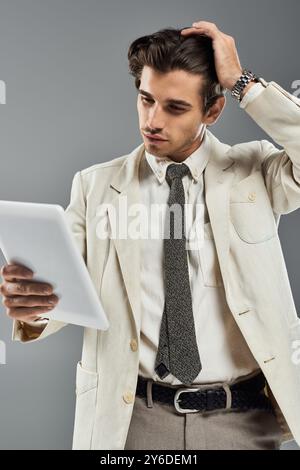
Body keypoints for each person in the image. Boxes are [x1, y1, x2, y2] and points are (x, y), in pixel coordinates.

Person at [1, 20, 300, 450]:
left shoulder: (255, 172)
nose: (152, 121)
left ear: (212, 112)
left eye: (175, 108)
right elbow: (61, 286)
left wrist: (243, 85)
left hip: (241, 423)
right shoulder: (95, 187)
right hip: (131, 421)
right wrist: (33, 305)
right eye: (145, 100)